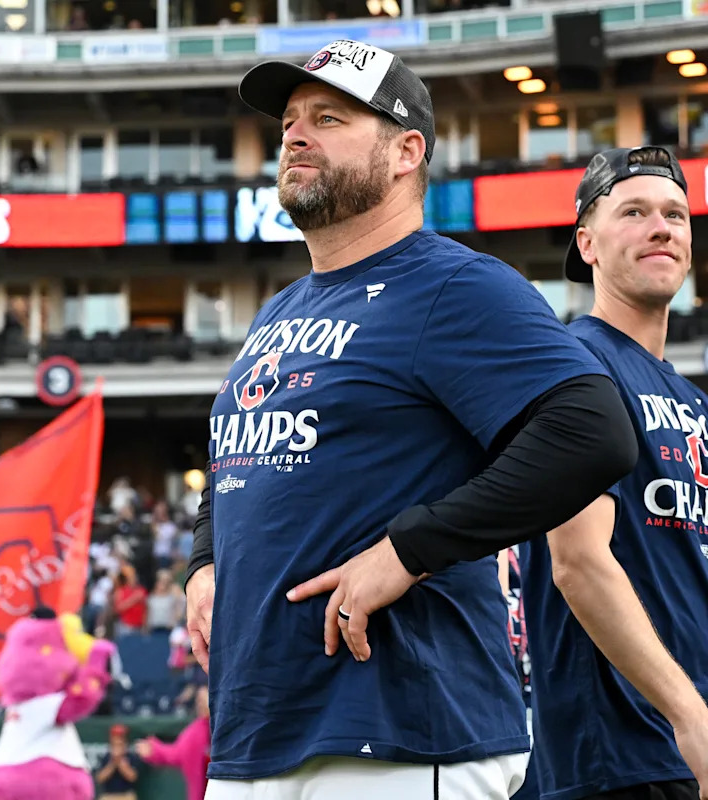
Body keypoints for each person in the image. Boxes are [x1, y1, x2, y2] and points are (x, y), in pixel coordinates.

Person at [184, 39, 638, 799]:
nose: (295, 135)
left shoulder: (452, 285)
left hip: (399, 737)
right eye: (291, 120)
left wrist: (409, 549)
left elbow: (592, 430)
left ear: (406, 151)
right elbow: (236, 455)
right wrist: (204, 563)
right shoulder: (279, 309)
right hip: (259, 737)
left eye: (328, 118)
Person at [518, 146, 708, 800]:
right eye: (635, 212)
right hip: (619, 755)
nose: (663, 227)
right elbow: (577, 562)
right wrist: (689, 716)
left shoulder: (691, 401)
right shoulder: (571, 367)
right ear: (587, 243)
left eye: (676, 215)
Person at [135, 685, 210, 800]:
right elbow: (175, 753)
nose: (201, 703)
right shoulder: (195, 732)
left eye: (205, 698)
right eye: (198, 700)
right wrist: (155, 749)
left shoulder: (231, 724)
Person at [96, 723, 142, 800]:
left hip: (126, 795)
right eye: (114, 744)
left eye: (120, 744)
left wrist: (121, 763)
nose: (117, 747)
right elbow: (100, 778)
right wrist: (113, 763)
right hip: (108, 795)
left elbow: (133, 777)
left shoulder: (131, 757)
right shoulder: (106, 757)